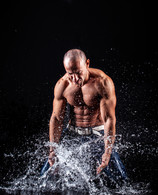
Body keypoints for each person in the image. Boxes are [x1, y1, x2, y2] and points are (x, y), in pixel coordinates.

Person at [41, 49, 127, 184]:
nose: (75, 78)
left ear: (87, 64)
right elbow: (57, 118)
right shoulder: (62, 85)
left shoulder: (102, 82)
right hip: (73, 135)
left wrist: (107, 151)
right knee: (45, 178)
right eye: (70, 74)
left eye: (78, 72)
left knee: (120, 181)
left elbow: (109, 119)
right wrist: (53, 150)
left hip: (97, 136)